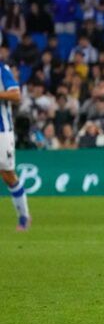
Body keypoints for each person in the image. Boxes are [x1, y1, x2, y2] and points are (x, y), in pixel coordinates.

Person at [0, 62, 31, 230]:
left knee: (7, 175)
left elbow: (16, 95)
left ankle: (24, 215)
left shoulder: (2, 70)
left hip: (2, 131)